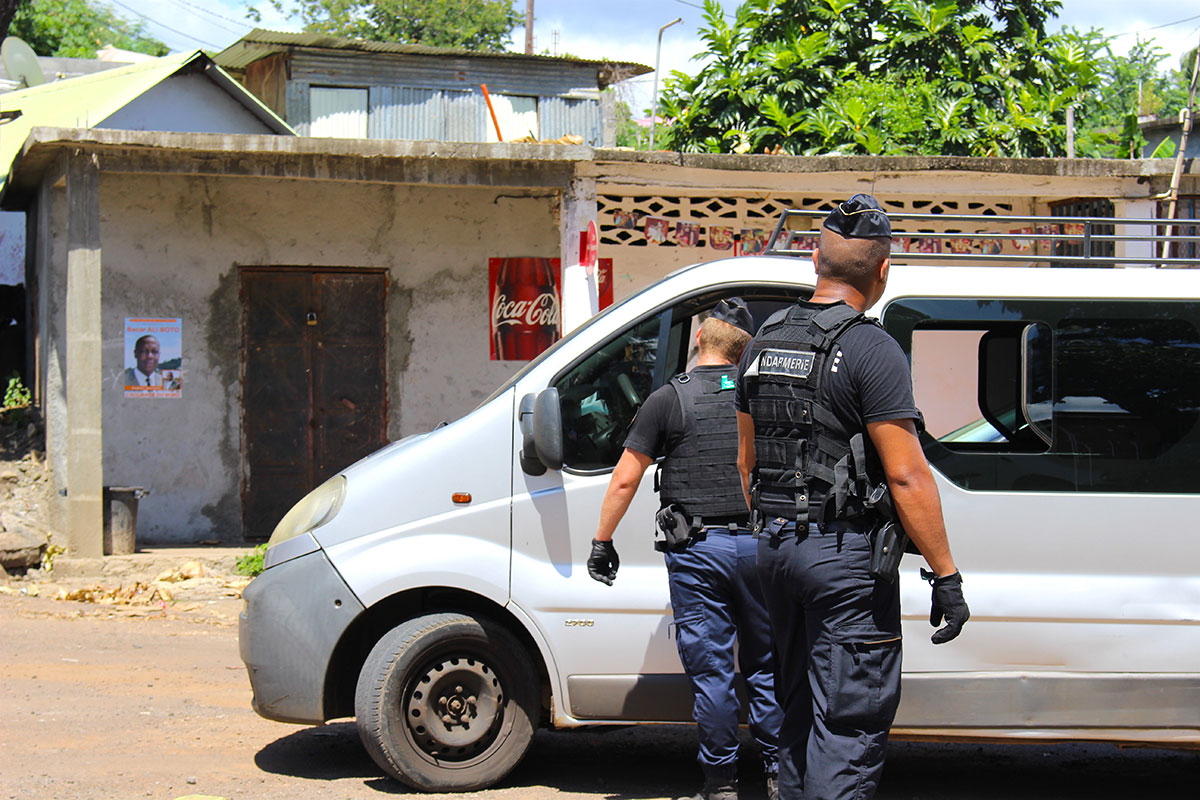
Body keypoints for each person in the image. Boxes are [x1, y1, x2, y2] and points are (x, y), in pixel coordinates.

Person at [735, 194, 970, 800]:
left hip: (777, 549)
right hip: (842, 559)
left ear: (816, 258)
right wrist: (945, 575)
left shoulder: (764, 340)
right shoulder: (872, 348)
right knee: (849, 722)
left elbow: (747, 461)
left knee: (796, 716)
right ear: (884, 270)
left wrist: (778, 525)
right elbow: (907, 475)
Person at [588, 298, 783, 800]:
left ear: (699, 339)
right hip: (760, 547)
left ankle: (721, 785)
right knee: (767, 666)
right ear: (745, 351)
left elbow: (625, 480)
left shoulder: (667, 400)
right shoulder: (763, 398)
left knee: (713, 672)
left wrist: (602, 540)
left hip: (698, 551)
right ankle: (781, 778)